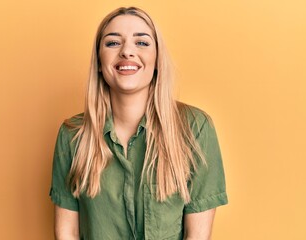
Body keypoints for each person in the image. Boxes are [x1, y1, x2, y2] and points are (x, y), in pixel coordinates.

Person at [50, 6, 228, 240]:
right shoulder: (72, 135)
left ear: (157, 61)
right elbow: (67, 233)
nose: (127, 52)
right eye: (113, 43)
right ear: (100, 63)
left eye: (142, 43)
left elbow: (197, 236)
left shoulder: (196, 128)